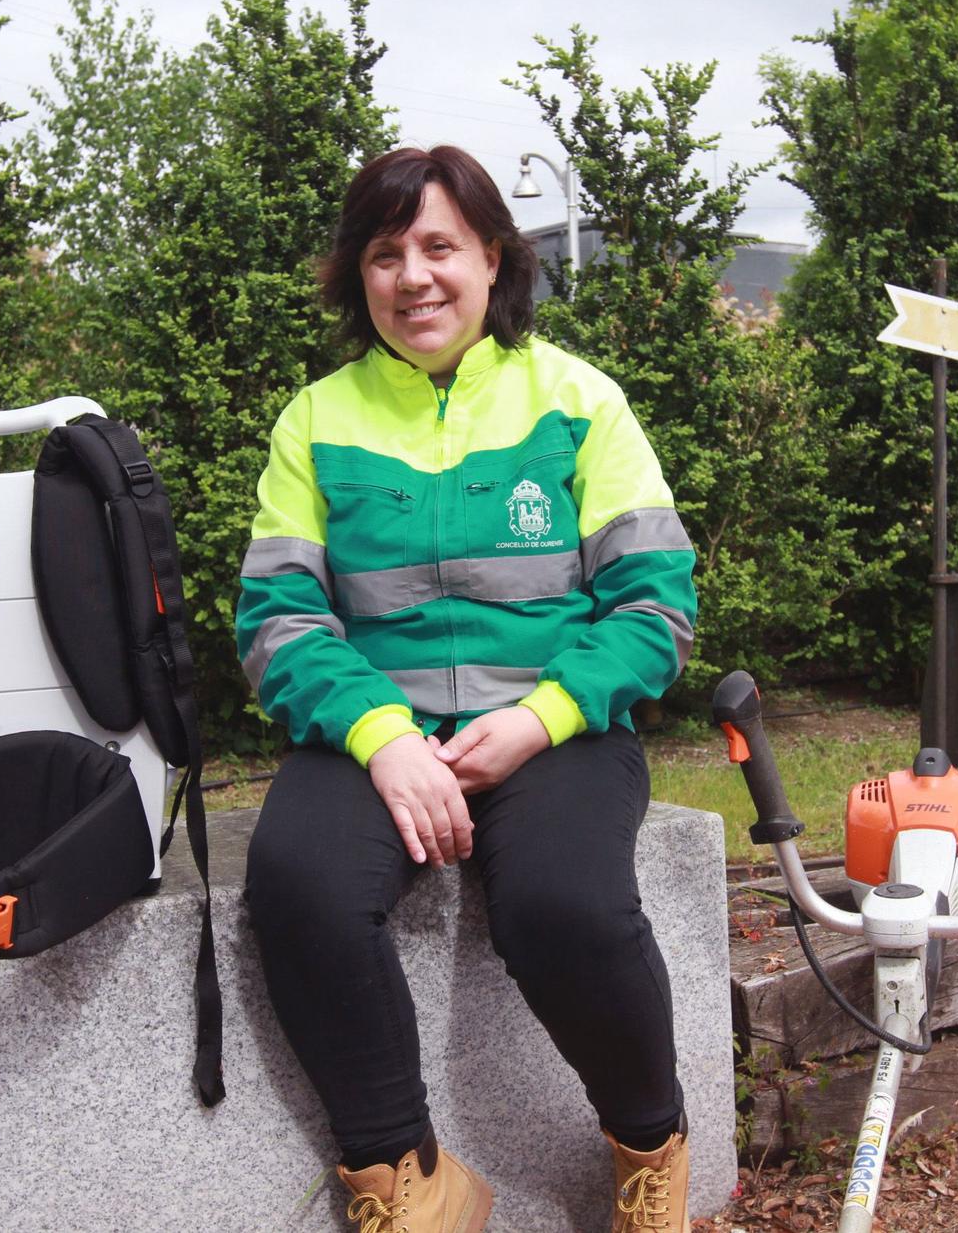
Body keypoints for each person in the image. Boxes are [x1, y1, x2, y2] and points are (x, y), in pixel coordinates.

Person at [237, 144, 699, 1233]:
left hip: (556, 726)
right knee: (295, 883)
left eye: (439, 246)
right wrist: (383, 735)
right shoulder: (314, 421)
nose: (413, 277)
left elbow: (652, 611)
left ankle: (650, 1145)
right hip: (375, 732)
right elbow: (278, 621)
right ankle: (405, 1177)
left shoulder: (579, 401)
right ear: (359, 275)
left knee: (563, 904)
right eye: (384, 253)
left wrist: (536, 720)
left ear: (493, 260)